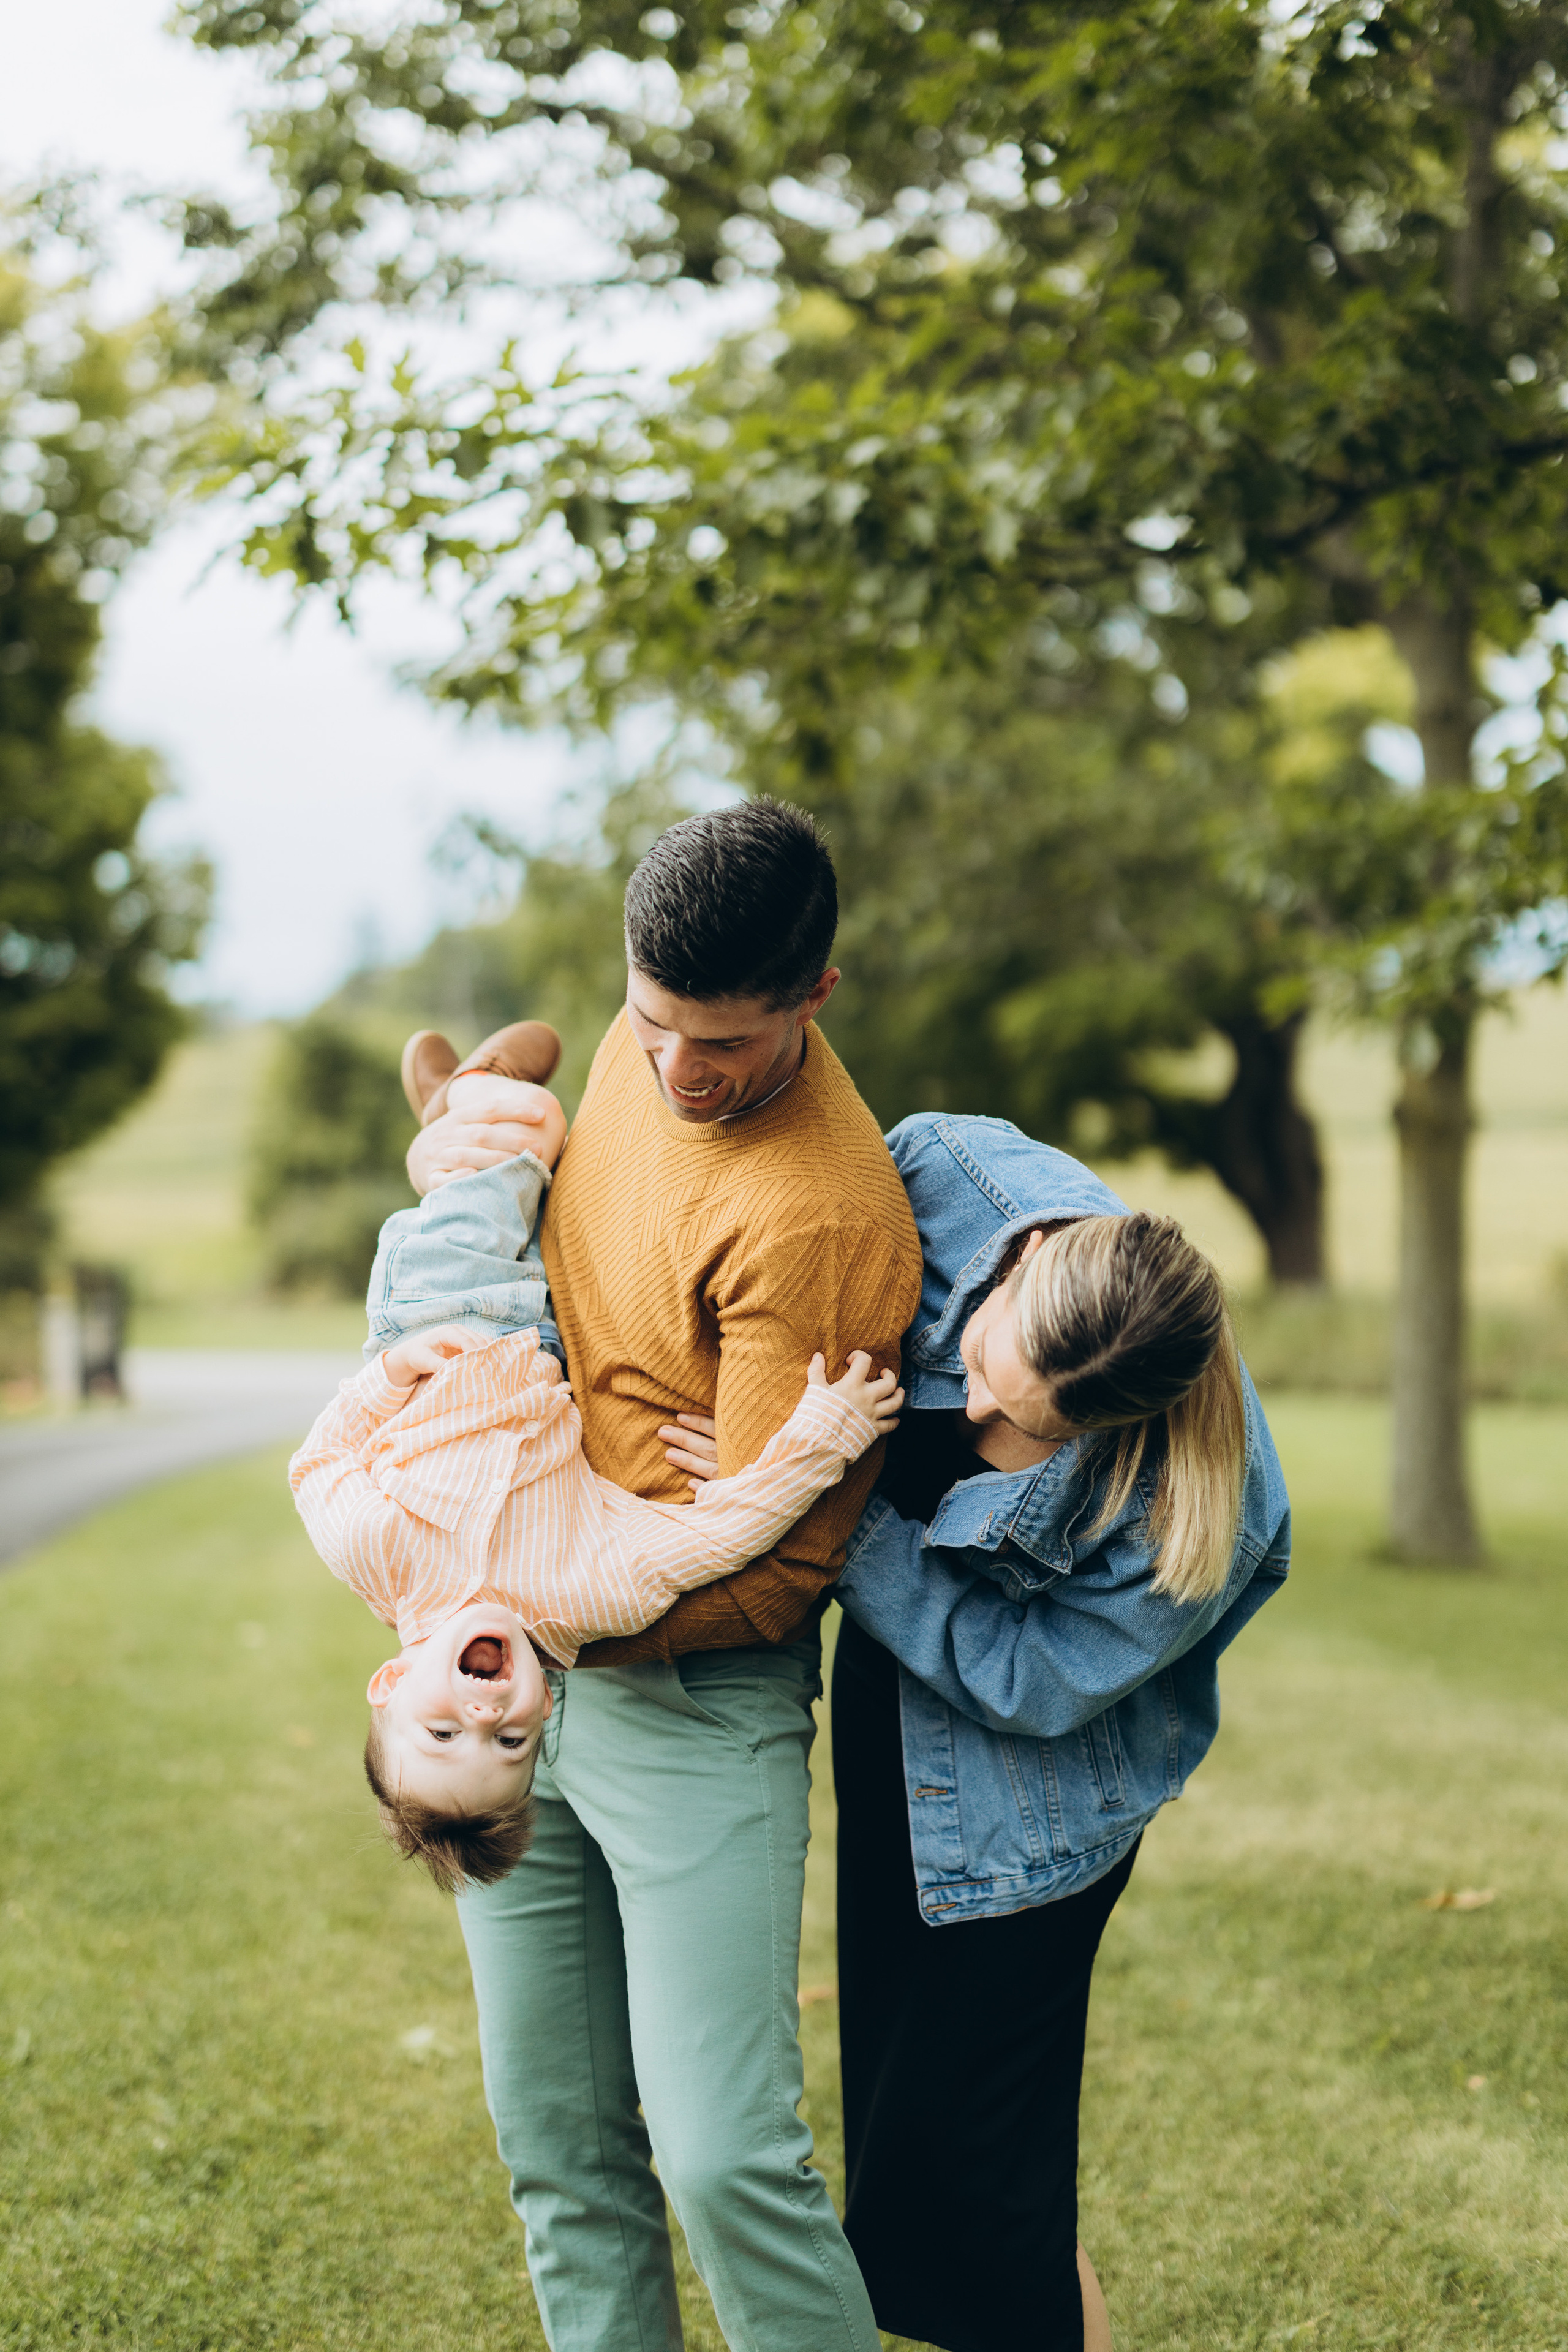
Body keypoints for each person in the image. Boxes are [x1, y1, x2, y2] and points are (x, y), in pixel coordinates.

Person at [402, 799, 922, 2352]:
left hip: (693, 1699)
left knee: (721, 2156)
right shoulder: (642, 1055)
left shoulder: (818, 1213)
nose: (677, 1074)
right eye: (652, 1025)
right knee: (556, 2141)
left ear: (814, 997)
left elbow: (770, 1578)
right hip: (523, 1688)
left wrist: (531, 1581)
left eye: (724, 1047)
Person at [832, 1115, 1291, 2352]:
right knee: (912, 2157)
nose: (972, 1398)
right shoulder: (935, 1172)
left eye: (1025, 1417)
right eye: (983, 1363)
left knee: (991, 2183)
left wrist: (823, 1509)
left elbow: (1021, 1677)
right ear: (1029, 1261)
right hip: (896, 1740)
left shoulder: (1204, 1498)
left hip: (1034, 1814)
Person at [288, 1037, 903, 1894]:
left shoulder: (380, 1554)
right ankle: (456, 1112)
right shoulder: (591, 1596)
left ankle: (466, 1095)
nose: (483, 1714)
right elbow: (726, 1530)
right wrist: (824, 1436)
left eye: (442, 1733)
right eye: (510, 1744)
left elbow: (316, 1468)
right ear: (546, 1714)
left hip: (446, 1315)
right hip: (555, 1343)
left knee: (531, 1122)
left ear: (390, 1684)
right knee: (577, 1188)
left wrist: (386, 1378)